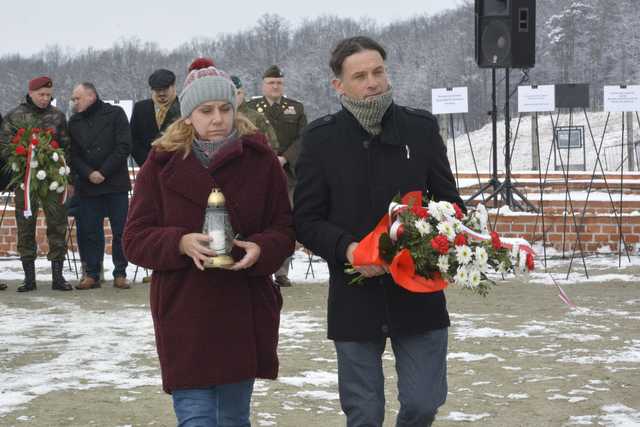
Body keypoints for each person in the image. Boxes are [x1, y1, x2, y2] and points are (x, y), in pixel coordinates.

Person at [294, 36, 465, 427]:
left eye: (378, 72)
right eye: (359, 76)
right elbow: (305, 220)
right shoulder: (320, 139)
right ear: (338, 85)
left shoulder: (420, 128)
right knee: (364, 413)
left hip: (418, 290)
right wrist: (350, 249)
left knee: (423, 403)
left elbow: (451, 204)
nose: (372, 82)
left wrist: (426, 239)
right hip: (355, 296)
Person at [122, 61, 294, 426]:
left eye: (224, 109)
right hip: (185, 308)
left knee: (232, 418)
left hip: (241, 308)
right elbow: (133, 239)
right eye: (206, 111)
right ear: (188, 117)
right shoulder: (160, 163)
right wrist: (179, 242)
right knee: (196, 418)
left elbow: (284, 228)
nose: (217, 118)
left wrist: (262, 248)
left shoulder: (261, 162)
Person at [0, 76, 72, 292]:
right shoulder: (15, 116)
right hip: (25, 179)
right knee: (25, 226)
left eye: (48, 95)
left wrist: (66, 176)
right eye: (41, 94)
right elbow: (5, 147)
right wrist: (20, 163)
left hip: (53, 180)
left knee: (57, 225)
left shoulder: (57, 116)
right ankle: (29, 278)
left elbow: (66, 147)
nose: (45, 98)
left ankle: (58, 278)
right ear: (31, 93)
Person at [246, 65, 307, 287]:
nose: (275, 86)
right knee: (260, 219)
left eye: (279, 82)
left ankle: (282, 271)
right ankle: (262, 267)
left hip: (287, 173)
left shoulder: (295, 108)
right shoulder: (251, 108)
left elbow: (303, 139)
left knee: (286, 221)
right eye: (271, 82)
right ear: (263, 85)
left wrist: (284, 158)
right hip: (258, 172)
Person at [68, 82, 132, 290]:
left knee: (120, 230)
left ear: (91, 96)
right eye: (73, 99)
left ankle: (120, 272)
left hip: (115, 182)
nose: (74, 102)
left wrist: (103, 172)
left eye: (77, 98)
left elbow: (124, 146)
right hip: (88, 184)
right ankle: (92, 274)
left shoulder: (115, 114)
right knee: (90, 231)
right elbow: (73, 155)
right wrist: (89, 173)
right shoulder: (74, 122)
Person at [130, 69, 181, 166]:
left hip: (177, 167)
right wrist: (147, 162)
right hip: (148, 167)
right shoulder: (140, 108)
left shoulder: (184, 108)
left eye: (165, 89)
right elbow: (132, 139)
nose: (161, 93)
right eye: (157, 89)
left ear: (174, 86)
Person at [230, 75, 279, 152]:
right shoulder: (219, 117)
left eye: (239, 93)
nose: (236, 97)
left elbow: (272, 145)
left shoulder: (257, 117)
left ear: (243, 93)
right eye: (232, 93)